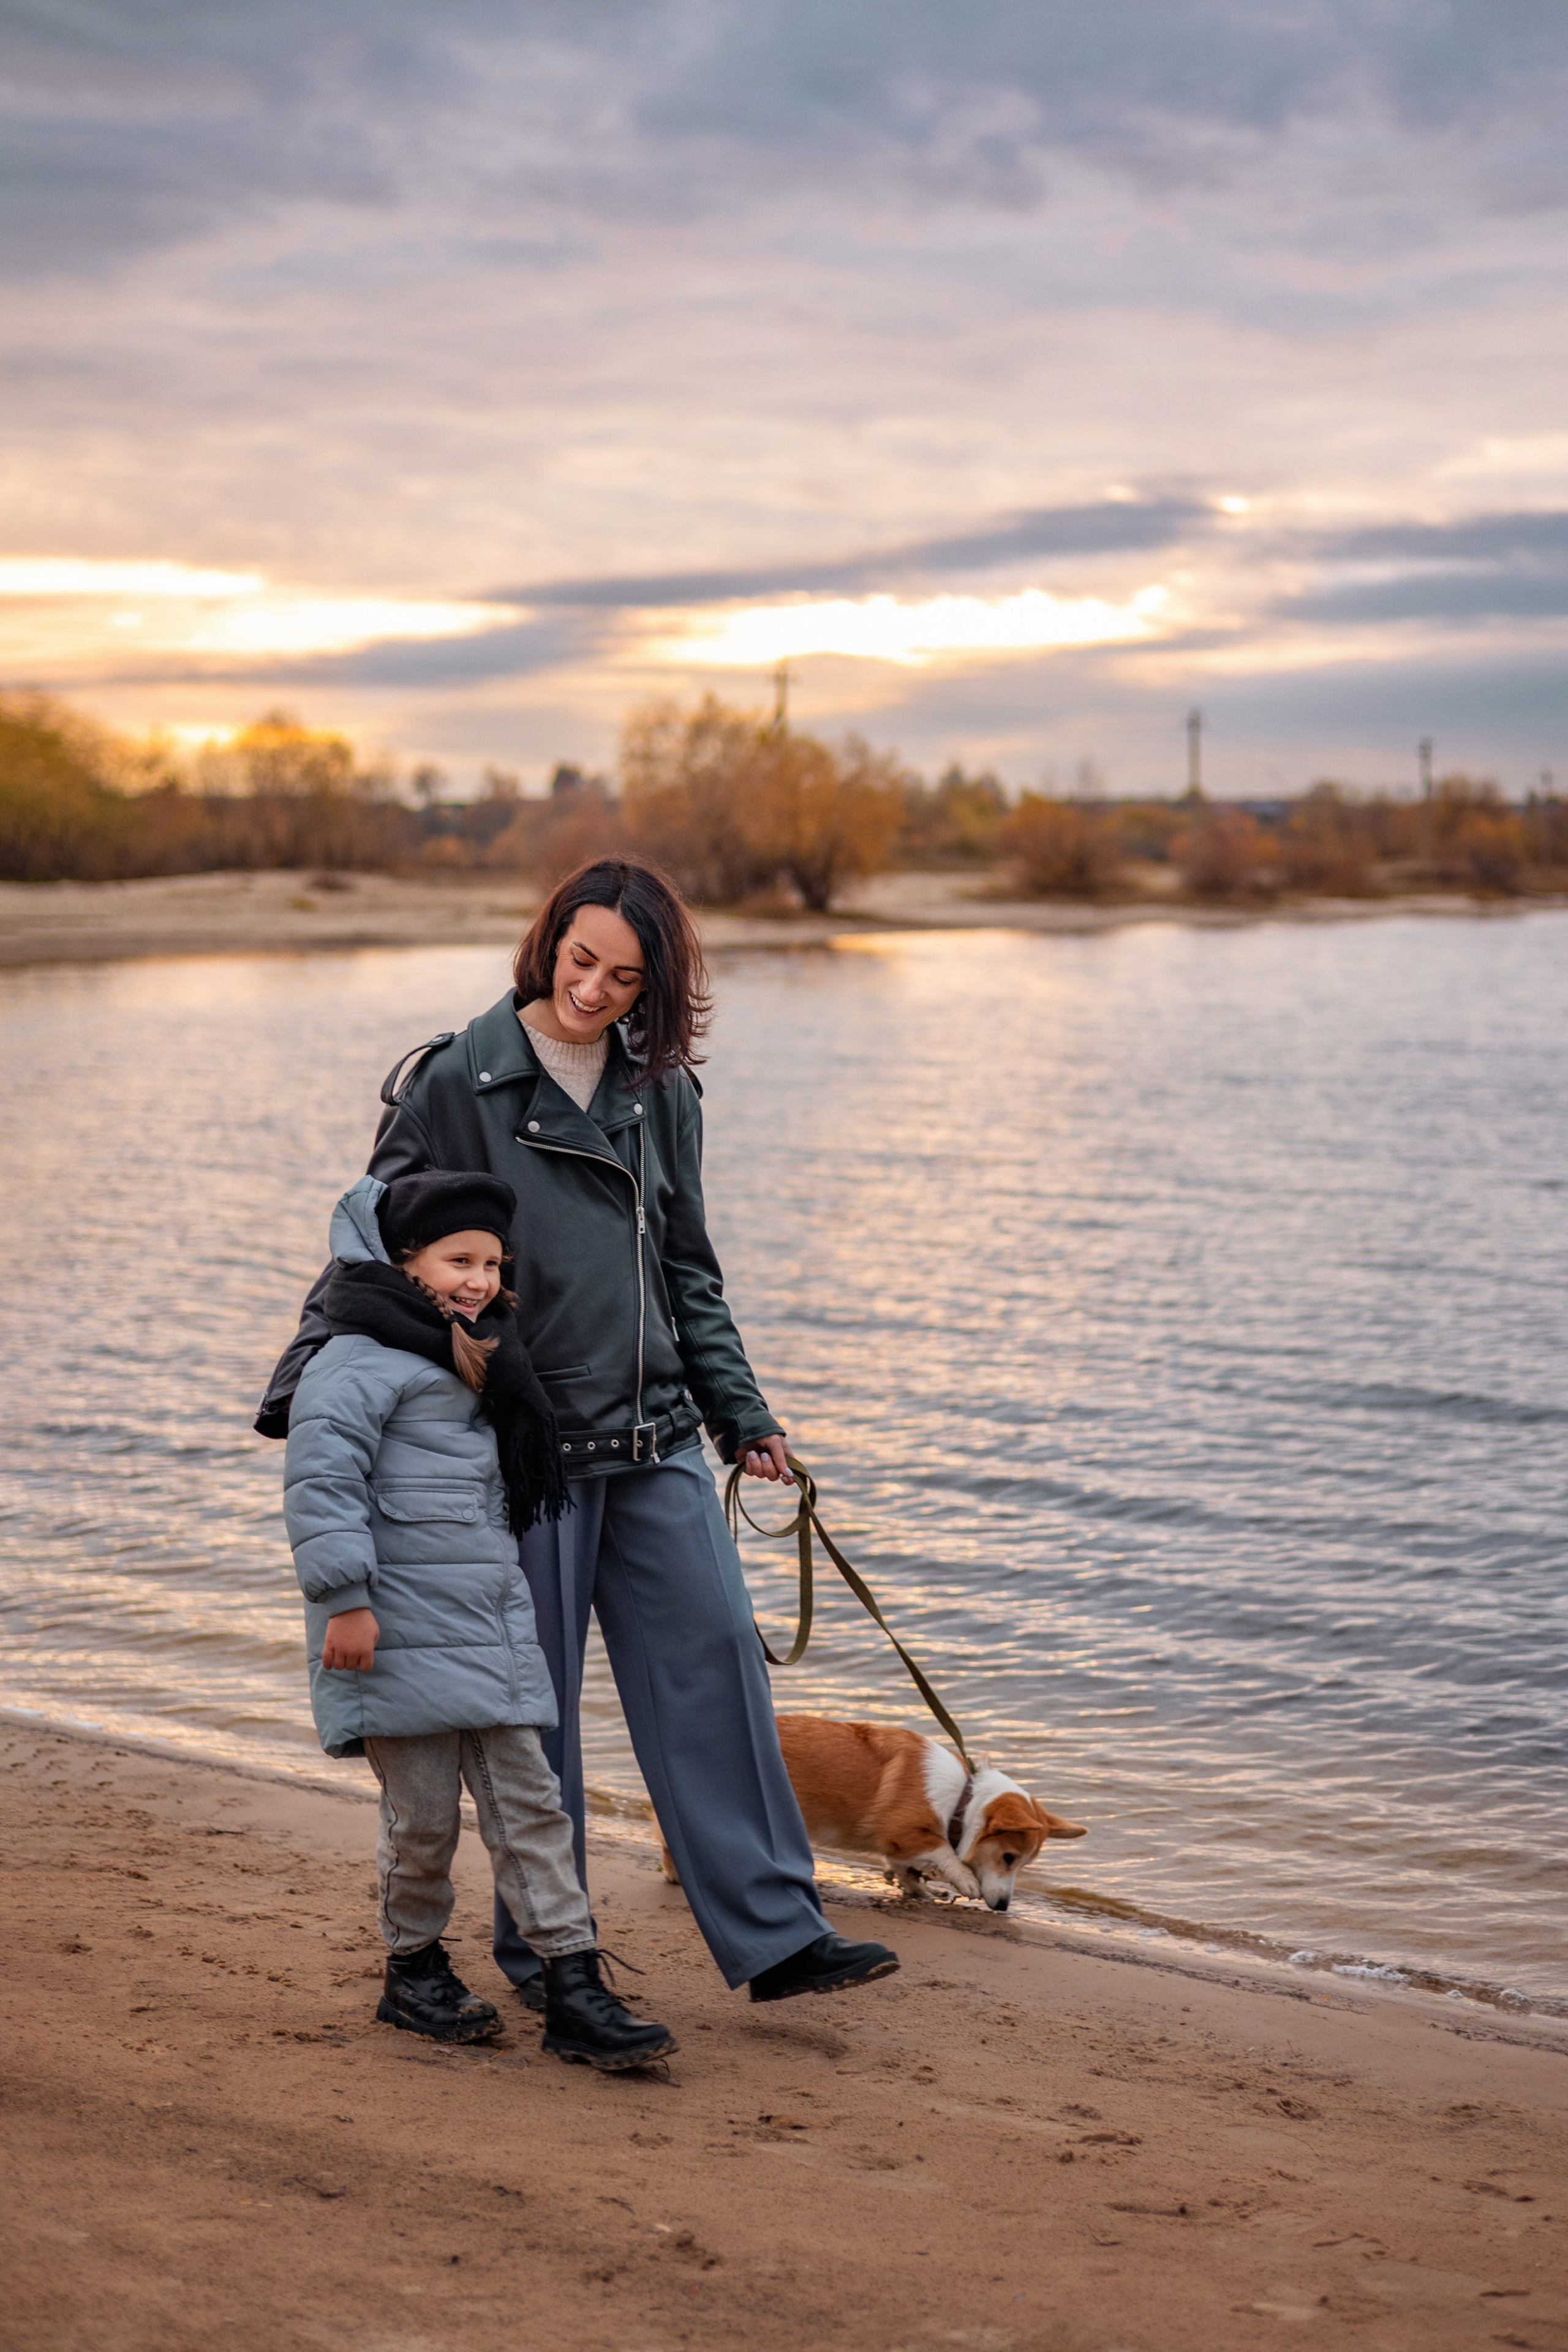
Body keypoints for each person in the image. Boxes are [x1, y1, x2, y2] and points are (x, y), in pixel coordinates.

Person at [260, 856, 897, 2007]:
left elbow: (688, 1271)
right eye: (580, 958)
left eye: (625, 974)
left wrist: (740, 1414)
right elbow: (376, 1241)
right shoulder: (459, 1076)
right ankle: (551, 1960)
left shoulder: (664, 1092)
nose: (595, 988)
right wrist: (456, 1363)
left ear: (659, 983)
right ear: (549, 940)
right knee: (529, 1717)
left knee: (716, 1668)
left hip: (655, 1437)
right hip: (525, 1449)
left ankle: (775, 1933)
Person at [283, 1164, 676, 2070]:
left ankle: (574, 1985)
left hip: (484, 1626)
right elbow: (321, 1488)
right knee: (422, 1824)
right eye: (460, 1259)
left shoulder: (474, 1353)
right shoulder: (354, 1359)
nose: (480, 1280)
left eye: (493, 1264)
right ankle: (412, 1969)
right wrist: (344, 1603)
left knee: (533, 1810)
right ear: (404, 1258)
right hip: (393, 1631)